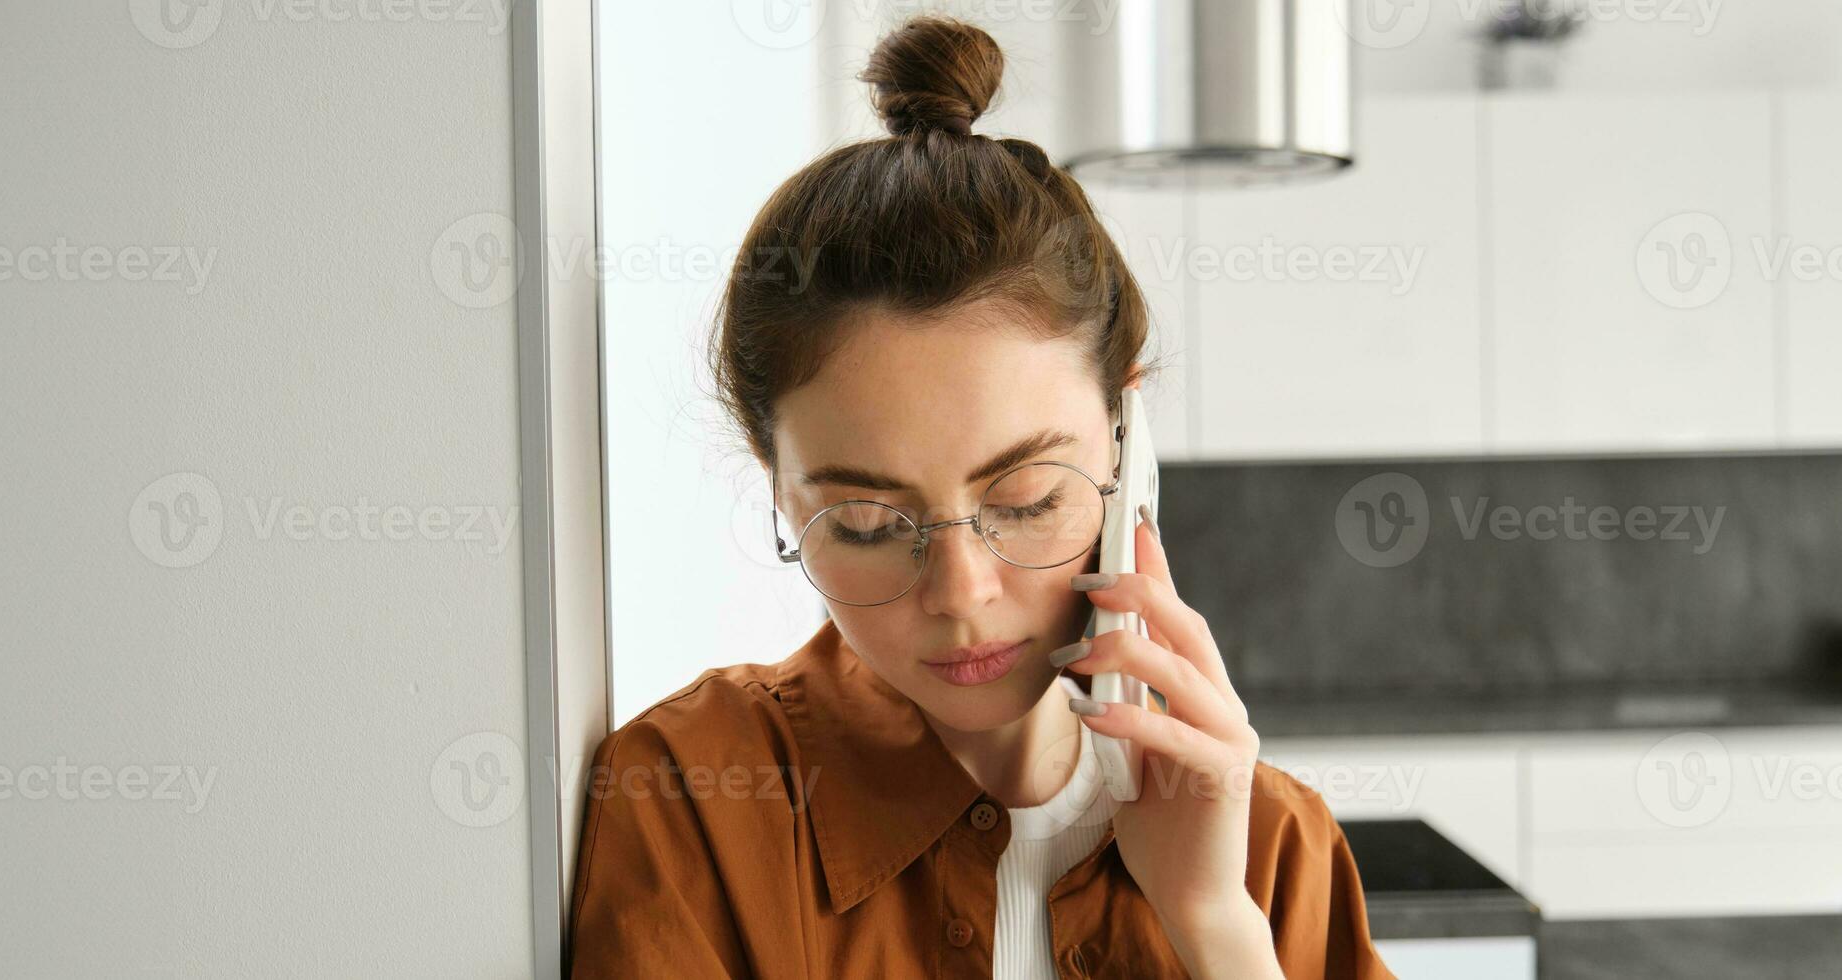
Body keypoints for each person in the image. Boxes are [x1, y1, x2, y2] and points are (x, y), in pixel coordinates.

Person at [566, 15, 1392, 979]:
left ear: (1129, 447)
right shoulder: (693, 806)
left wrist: (1216, 926)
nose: (960, 594)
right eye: (867, 524)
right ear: (777, 486)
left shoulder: (1272, 847)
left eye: (1029, 499)